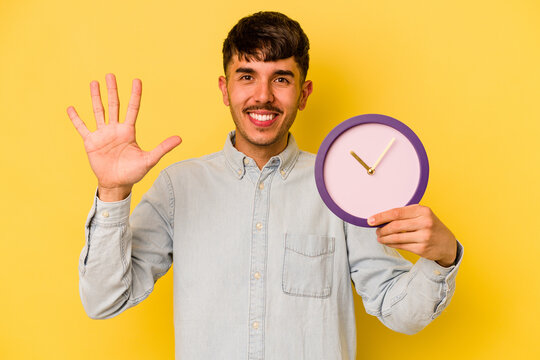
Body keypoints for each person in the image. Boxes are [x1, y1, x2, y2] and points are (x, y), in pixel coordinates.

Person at [68, 11, 462, 360]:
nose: (263, 96)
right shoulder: (178, 188)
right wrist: (112, 191)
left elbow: (401, 312)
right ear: (225, 89)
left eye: (281, 79)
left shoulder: (343, 186)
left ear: (303, 94)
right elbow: (105, 300)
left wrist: (442, 258)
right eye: (247, 76)